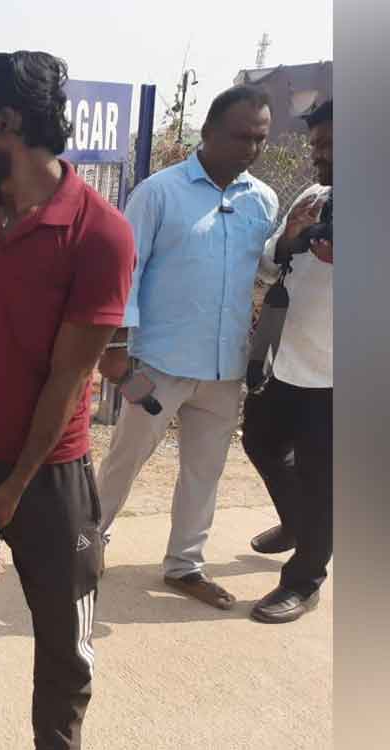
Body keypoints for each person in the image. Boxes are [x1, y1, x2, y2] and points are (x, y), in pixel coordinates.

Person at [0, 51, 135, 750]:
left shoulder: (101, 233)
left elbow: (71, 376)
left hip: (51, 475)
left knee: (66, 636)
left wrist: (15, 484)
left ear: (6, 124)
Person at [95, 85, 279, 610]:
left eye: (260, 139)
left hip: (224, 368)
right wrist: (116, 347)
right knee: (126, 459)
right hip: (159, 363)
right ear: (209, 131)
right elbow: (126, 273)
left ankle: (185, 565)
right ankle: (87, 541)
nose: (251, 148)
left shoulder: (262, 200)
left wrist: (289, 243)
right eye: (241, 136)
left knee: (205, 471)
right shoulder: (159, 193)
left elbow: (265, 271)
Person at [242, 99, 333, 623]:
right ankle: (298, 522)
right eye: (317, 144)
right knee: (260, 442)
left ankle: (304, 580)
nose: (318, 154)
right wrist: (290, 243)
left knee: (323, 482)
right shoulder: (315, 195)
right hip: (287, 360)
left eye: (329, 145)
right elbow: (268, 261)